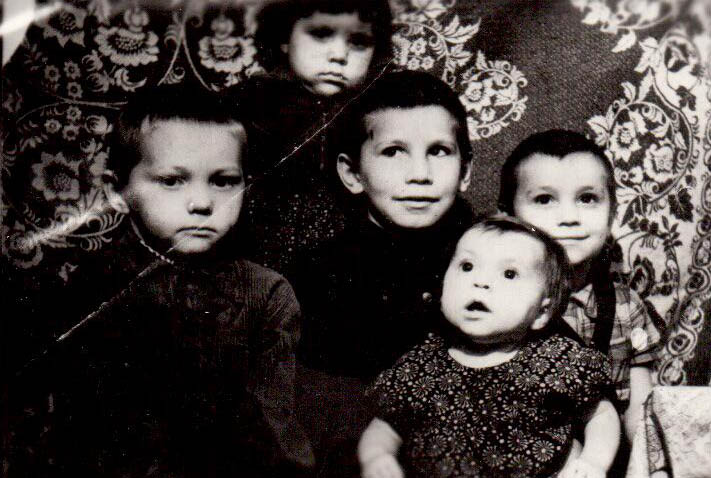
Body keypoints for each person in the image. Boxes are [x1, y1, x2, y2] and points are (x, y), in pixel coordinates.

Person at [4, 85, 313, 477]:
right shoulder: (94, 287)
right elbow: (73, 429)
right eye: (172, 180)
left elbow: (277, 435)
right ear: (118, 190)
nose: (202, 203)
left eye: (223, 181)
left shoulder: (266, 294)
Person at [290, 70, 474, 476]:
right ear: (352, 173)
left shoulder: (495, 256)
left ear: (465, 172)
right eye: (393, 152)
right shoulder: (316, 276)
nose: (419, 174)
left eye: (439, 151)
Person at [359, 217, 620, 478]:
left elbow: (601, 415)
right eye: (467, 266)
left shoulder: (558, 360)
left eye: (509, 274)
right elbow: (385, 426)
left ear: (542, 312)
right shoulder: (421, 365)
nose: (480, 282)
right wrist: (377, 456)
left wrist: (592, 462)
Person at [498, 130, 662, 443]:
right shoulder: (496, 301)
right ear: (508, 217)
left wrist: (648, 459)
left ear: (612, 213)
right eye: (544, 200)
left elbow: (639, 407)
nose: (569, 217)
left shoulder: (627, 307)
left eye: (587, 199)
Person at [237, 0, 393, 274]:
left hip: (345, 263)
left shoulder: (377, 113)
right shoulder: (247, 105)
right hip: (256, 257)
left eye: (358, 42)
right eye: (321, 34)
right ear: (284, 38)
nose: (339, 55)